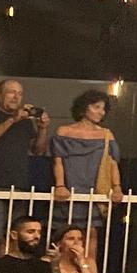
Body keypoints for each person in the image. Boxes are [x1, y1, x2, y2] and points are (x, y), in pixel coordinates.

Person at [51, 89, 124, 258]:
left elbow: (112, 163)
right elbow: (58, 160)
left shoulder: (106, 134)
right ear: (84, 108)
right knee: (64, 237)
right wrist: (60, 185)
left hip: (95, 191)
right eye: (96, 107)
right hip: (69, 191)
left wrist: (117, 188)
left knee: (91, 236)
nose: (101, 112)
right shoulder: (63, 131)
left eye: (103, 108)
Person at [0, 79, 49, 247]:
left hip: (18, 185)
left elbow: (38, 150)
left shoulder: (25, 121)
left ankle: (8, 271)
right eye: (11, 92)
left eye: (20, 93)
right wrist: (12, 120)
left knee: (15, 237)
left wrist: (43, 128)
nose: (16, 97)